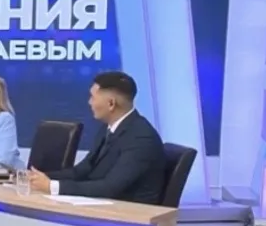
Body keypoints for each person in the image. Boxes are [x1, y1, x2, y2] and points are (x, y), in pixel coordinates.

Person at [26, 71, 166, 204]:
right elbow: (82, 171)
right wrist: (39, 178)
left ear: (111, 104)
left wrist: (52, 186)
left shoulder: (141, 138)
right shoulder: (107, 128)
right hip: (105, 206)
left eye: (93, 97)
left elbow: (110, 187)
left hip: (128, 213)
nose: (89, 102)